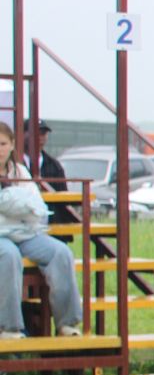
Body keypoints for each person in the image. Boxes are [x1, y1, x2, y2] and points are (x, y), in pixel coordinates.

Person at [0, 121, 81, 340]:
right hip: (2, 236)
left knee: (60, 252)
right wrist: (17, 206)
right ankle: (9, 327)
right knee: (9, 255)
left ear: (12, 145)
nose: (0, 149)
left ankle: (67, 323)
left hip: (26, 232)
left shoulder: (20, 172)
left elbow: (37, 206)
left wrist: (13, 207)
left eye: (3, 144)